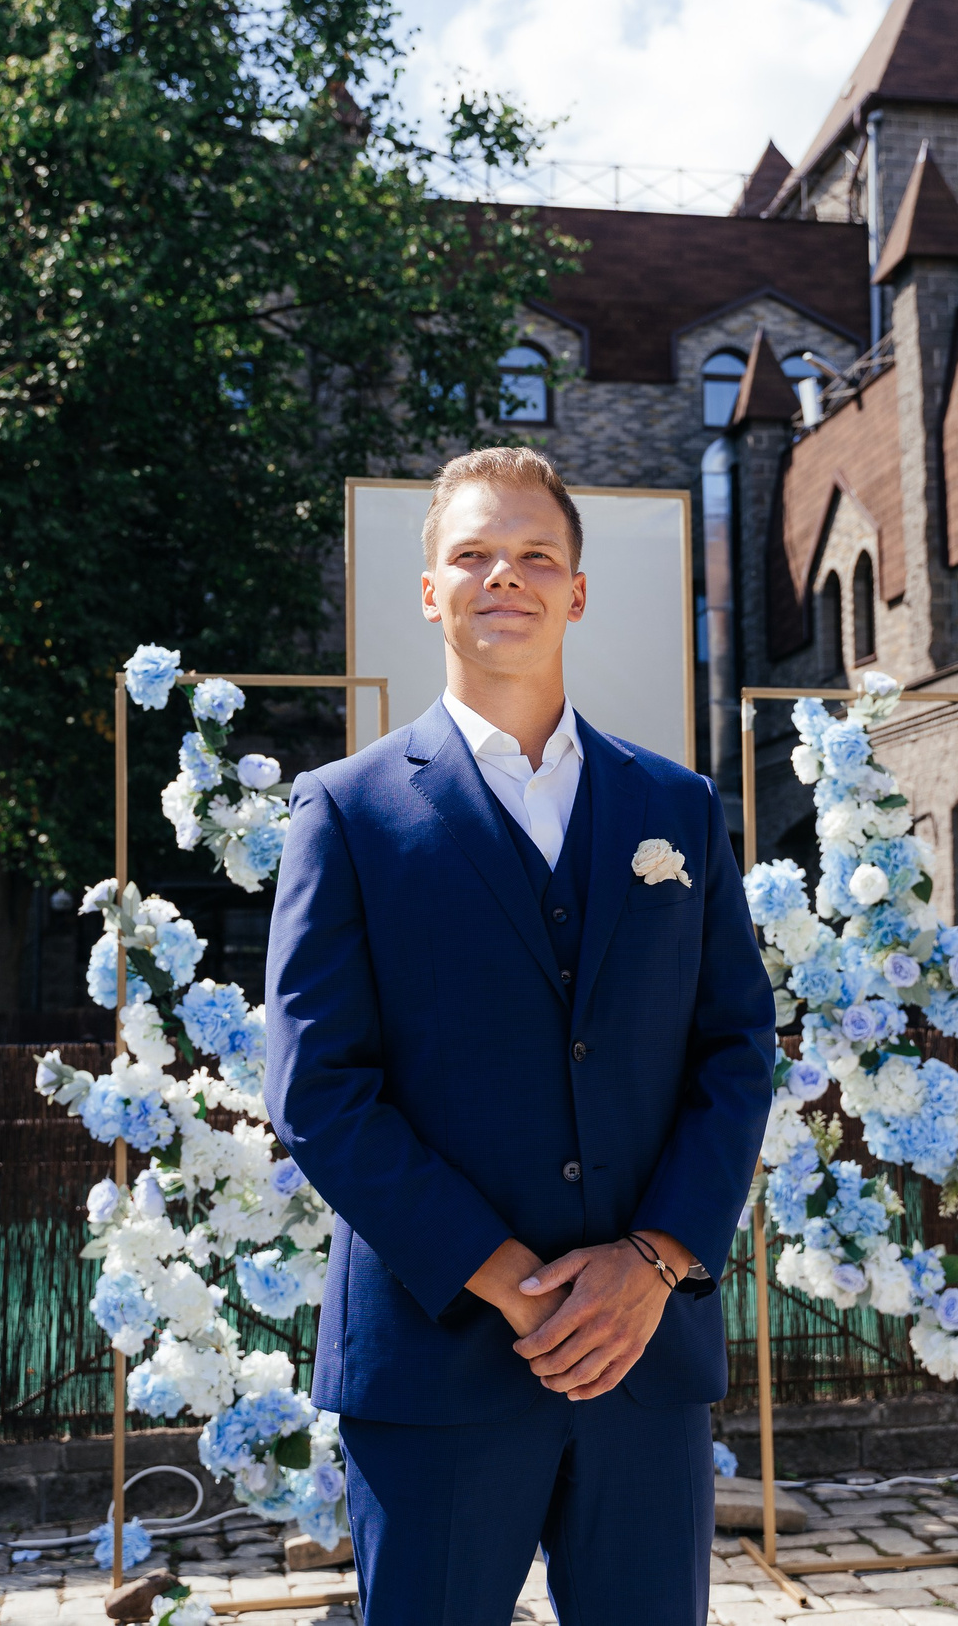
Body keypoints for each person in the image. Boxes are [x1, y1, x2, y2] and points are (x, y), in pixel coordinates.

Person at [264, 447, 775, 1626]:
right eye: (474, 555)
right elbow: (319, 1089)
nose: (507, 576)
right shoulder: (345, 811)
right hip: (434, 1361)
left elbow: (736, 1049)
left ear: (577, 593)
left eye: (536, 555)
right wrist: (513, 1282)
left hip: (642, 1357)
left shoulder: (677, 806)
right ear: (430, 592)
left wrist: (651, 1264)